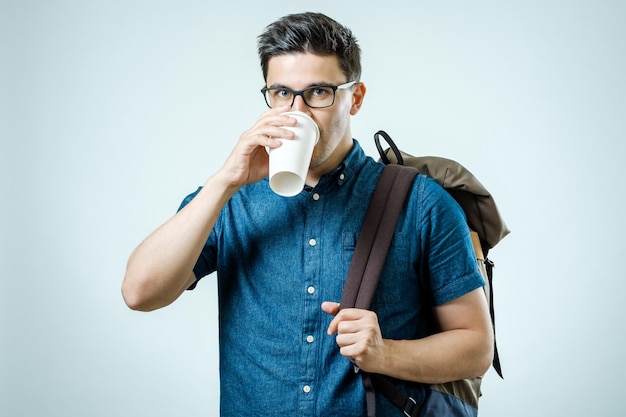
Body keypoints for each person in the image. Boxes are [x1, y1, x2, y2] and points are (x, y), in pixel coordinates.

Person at [122, 11, 494, 416]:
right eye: (281, 93)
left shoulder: (420, 203)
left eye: (318, 92)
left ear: (355, 97)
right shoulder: (229, 200)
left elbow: (475, 348)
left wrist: (386, 354)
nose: (296, 111)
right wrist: (226, 180)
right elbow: (139, 292)